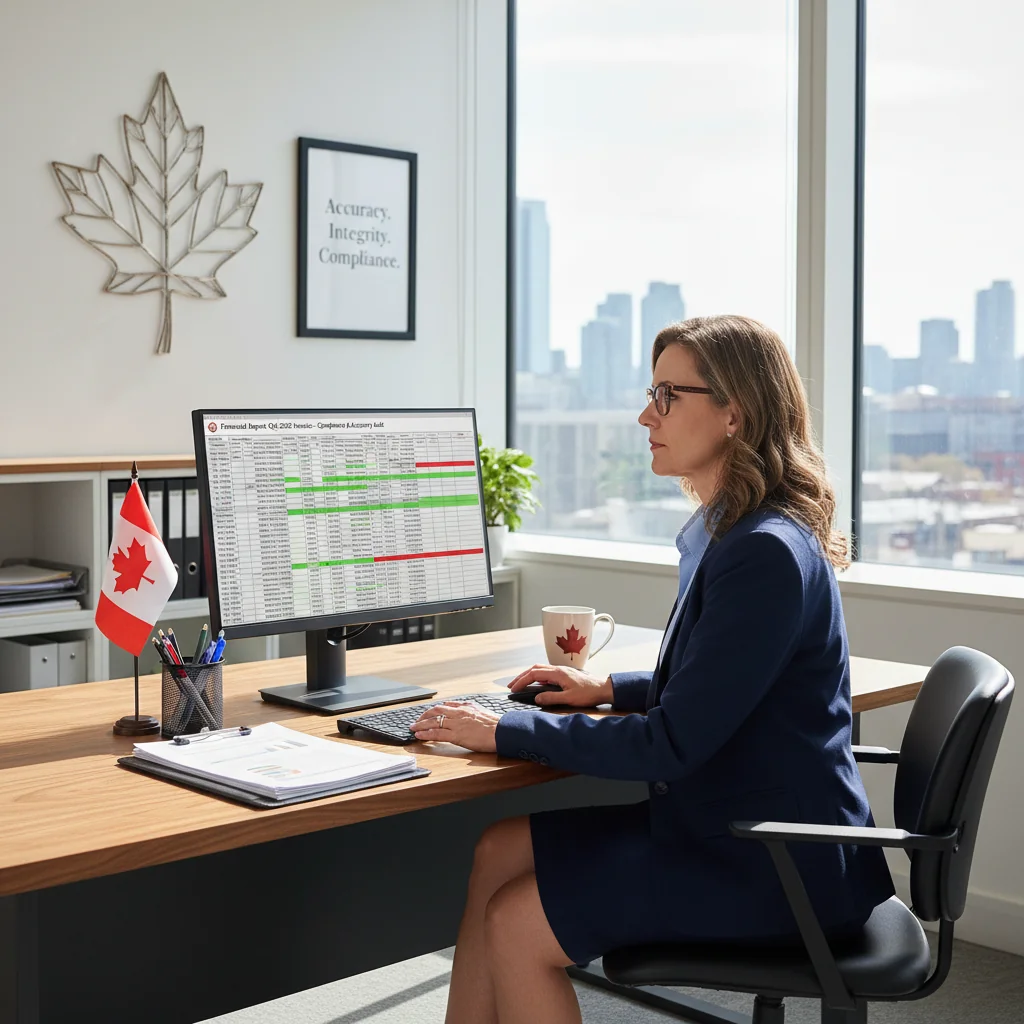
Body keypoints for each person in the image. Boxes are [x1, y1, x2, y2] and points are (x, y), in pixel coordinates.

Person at [411, 315, 895, 1024]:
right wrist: (607, 688)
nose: (646, 415)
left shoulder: (762, 554)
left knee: (517, 922)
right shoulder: (740, 533)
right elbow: (724, 688)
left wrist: (507, 730)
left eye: (669, 395)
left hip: (773, 863)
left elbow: (671, 742)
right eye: (652, 391)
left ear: (736, 412)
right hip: (733, 828)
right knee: (497, 848)